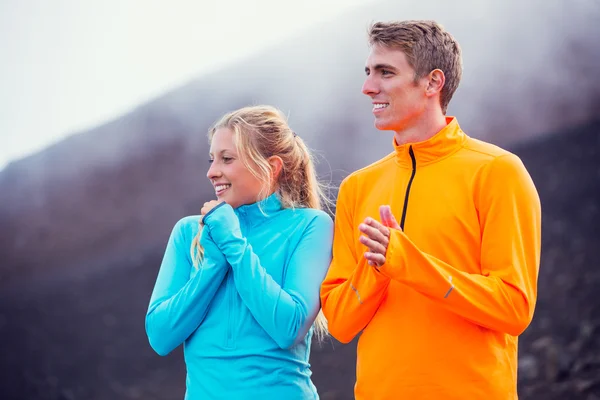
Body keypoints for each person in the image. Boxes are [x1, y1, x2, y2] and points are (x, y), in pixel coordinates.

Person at [320, 20, 541, 399]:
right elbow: (339, 322)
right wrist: (378, 271)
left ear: (432, 82)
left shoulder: (497, 171)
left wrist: (409, 262)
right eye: (368, 72)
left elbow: (513, 308)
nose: (368, 87)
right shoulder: (358, 187)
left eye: (386, 72)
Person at [146, 105, 334, 399]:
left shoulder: (310, 226)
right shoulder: (189, 233)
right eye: (211, 159)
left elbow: (289, 327)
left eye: (227, 159)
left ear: (271, 167)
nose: (212, 172)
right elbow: (160, 335)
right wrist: (213, 263)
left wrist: (233, 244)